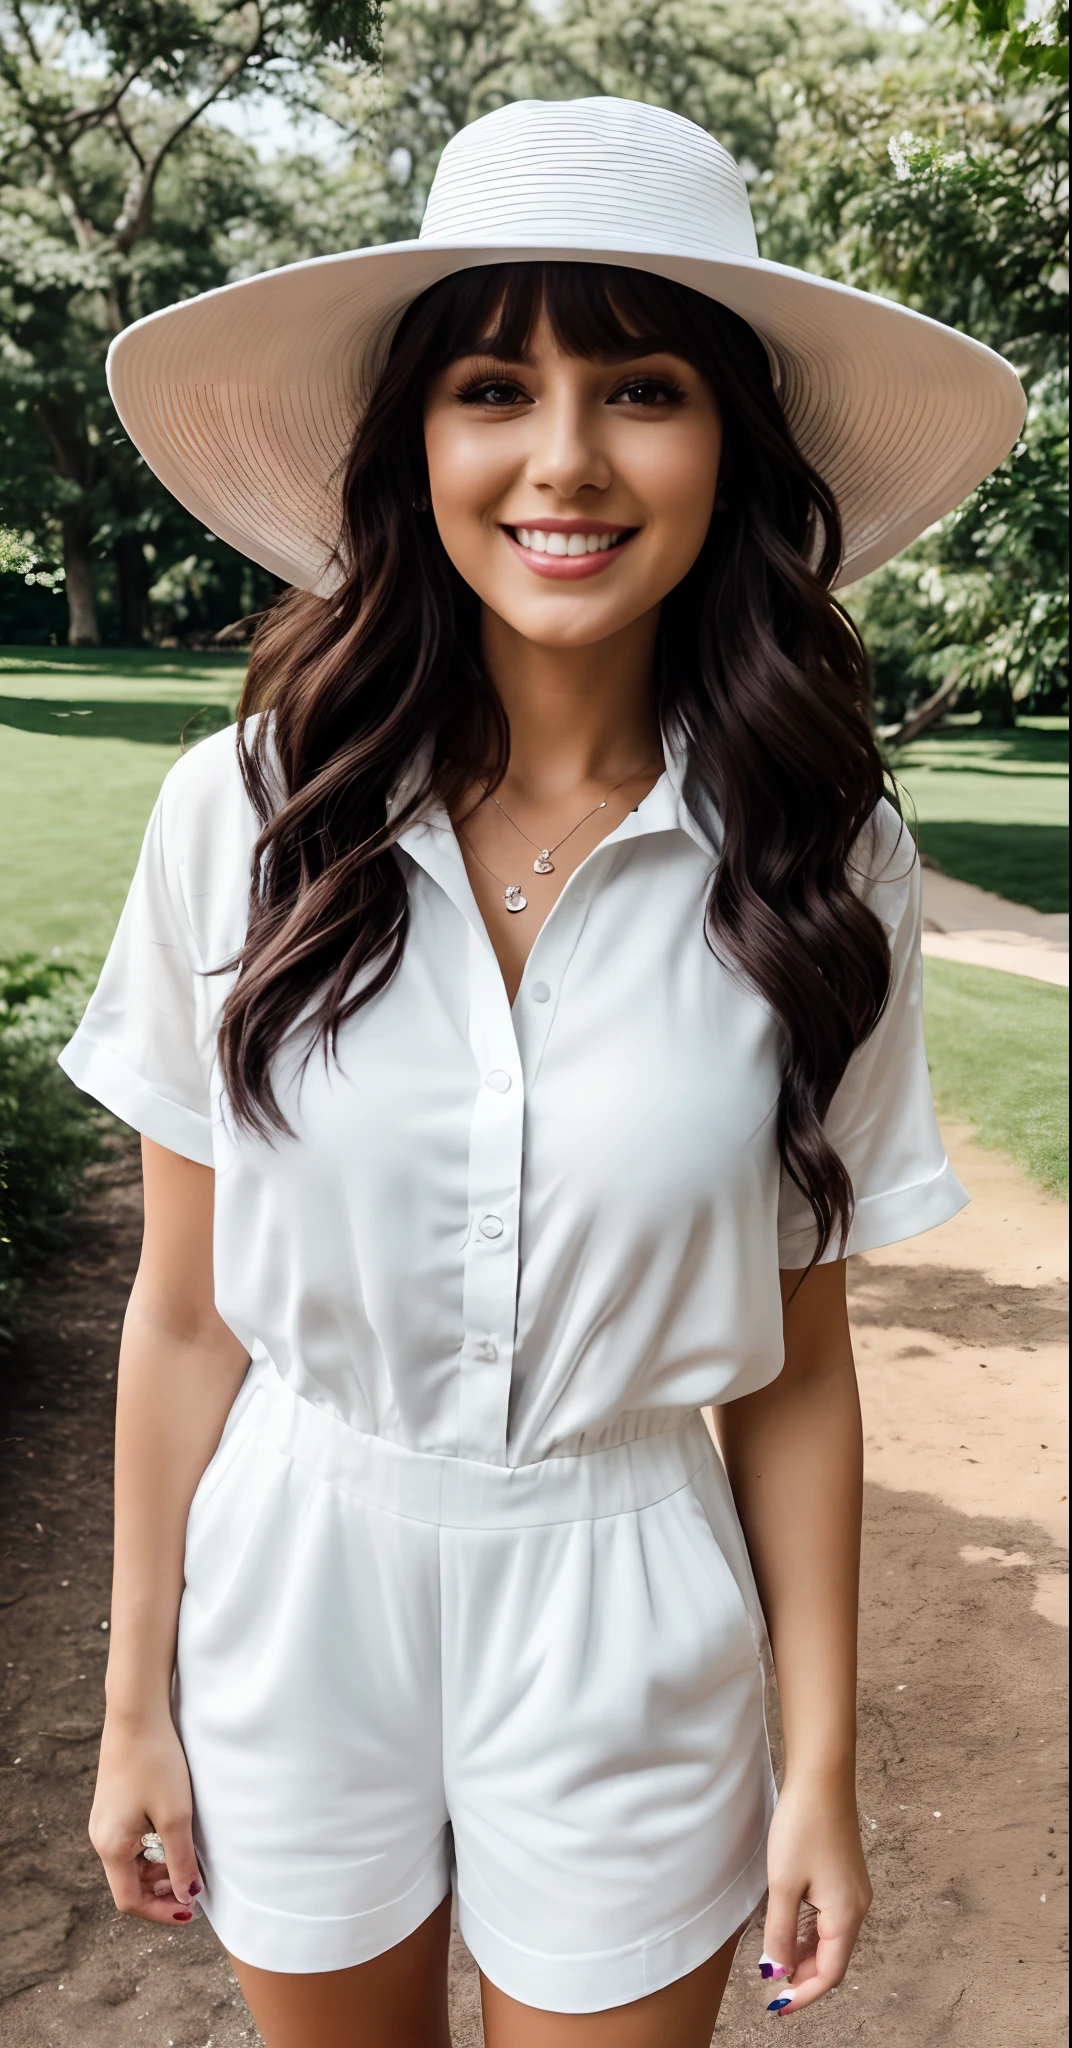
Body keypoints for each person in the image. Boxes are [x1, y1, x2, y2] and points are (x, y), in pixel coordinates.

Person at [59, 97, 1023, 2048]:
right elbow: (180, 1318)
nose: (563, 457)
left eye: (641, 387)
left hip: (627, 1592)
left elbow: (799, 1359)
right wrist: (134, 1701)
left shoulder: (817, 852)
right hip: (292, 1577)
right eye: (495, 382)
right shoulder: (243, 815)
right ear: (416, 440)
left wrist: (816, 1767)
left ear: (727, 447)